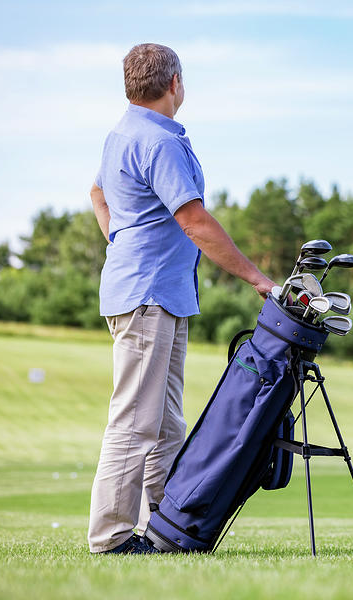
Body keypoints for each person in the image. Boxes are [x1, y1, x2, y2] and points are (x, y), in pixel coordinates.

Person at [87, 43, 276, 554]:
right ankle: (110, 537)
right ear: (174, 84)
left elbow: (98, 194)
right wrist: (257, 278)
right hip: (147, 295)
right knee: (135, 420)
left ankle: (165, 528)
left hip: (157, 294)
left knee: (166, 423)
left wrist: (119, 239)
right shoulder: (157, 142)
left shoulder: (122, 134)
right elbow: (193, 221)